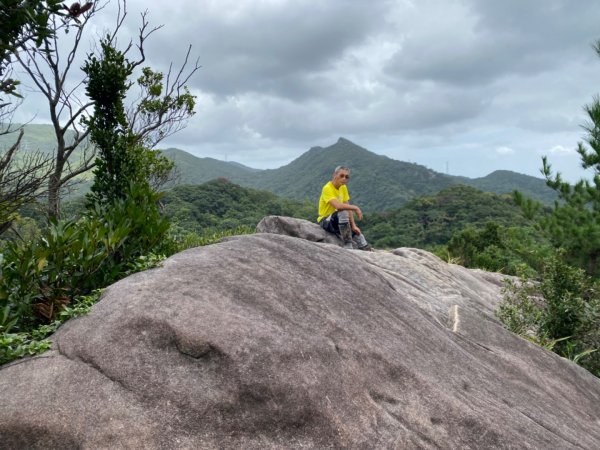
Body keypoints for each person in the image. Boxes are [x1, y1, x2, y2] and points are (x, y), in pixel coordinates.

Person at [317, 165, 372, 250]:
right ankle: (348, 243)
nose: (344, 179)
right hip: (325, 220)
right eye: (341, 176)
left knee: (356, 231)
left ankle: (364, 246)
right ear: (334, 175)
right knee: (342, 212)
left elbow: (347, 206)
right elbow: (338, 206)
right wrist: (355, 207)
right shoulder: (327, 188)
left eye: (347, 177)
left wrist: (353, 226)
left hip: (338, 220)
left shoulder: (343, 187)